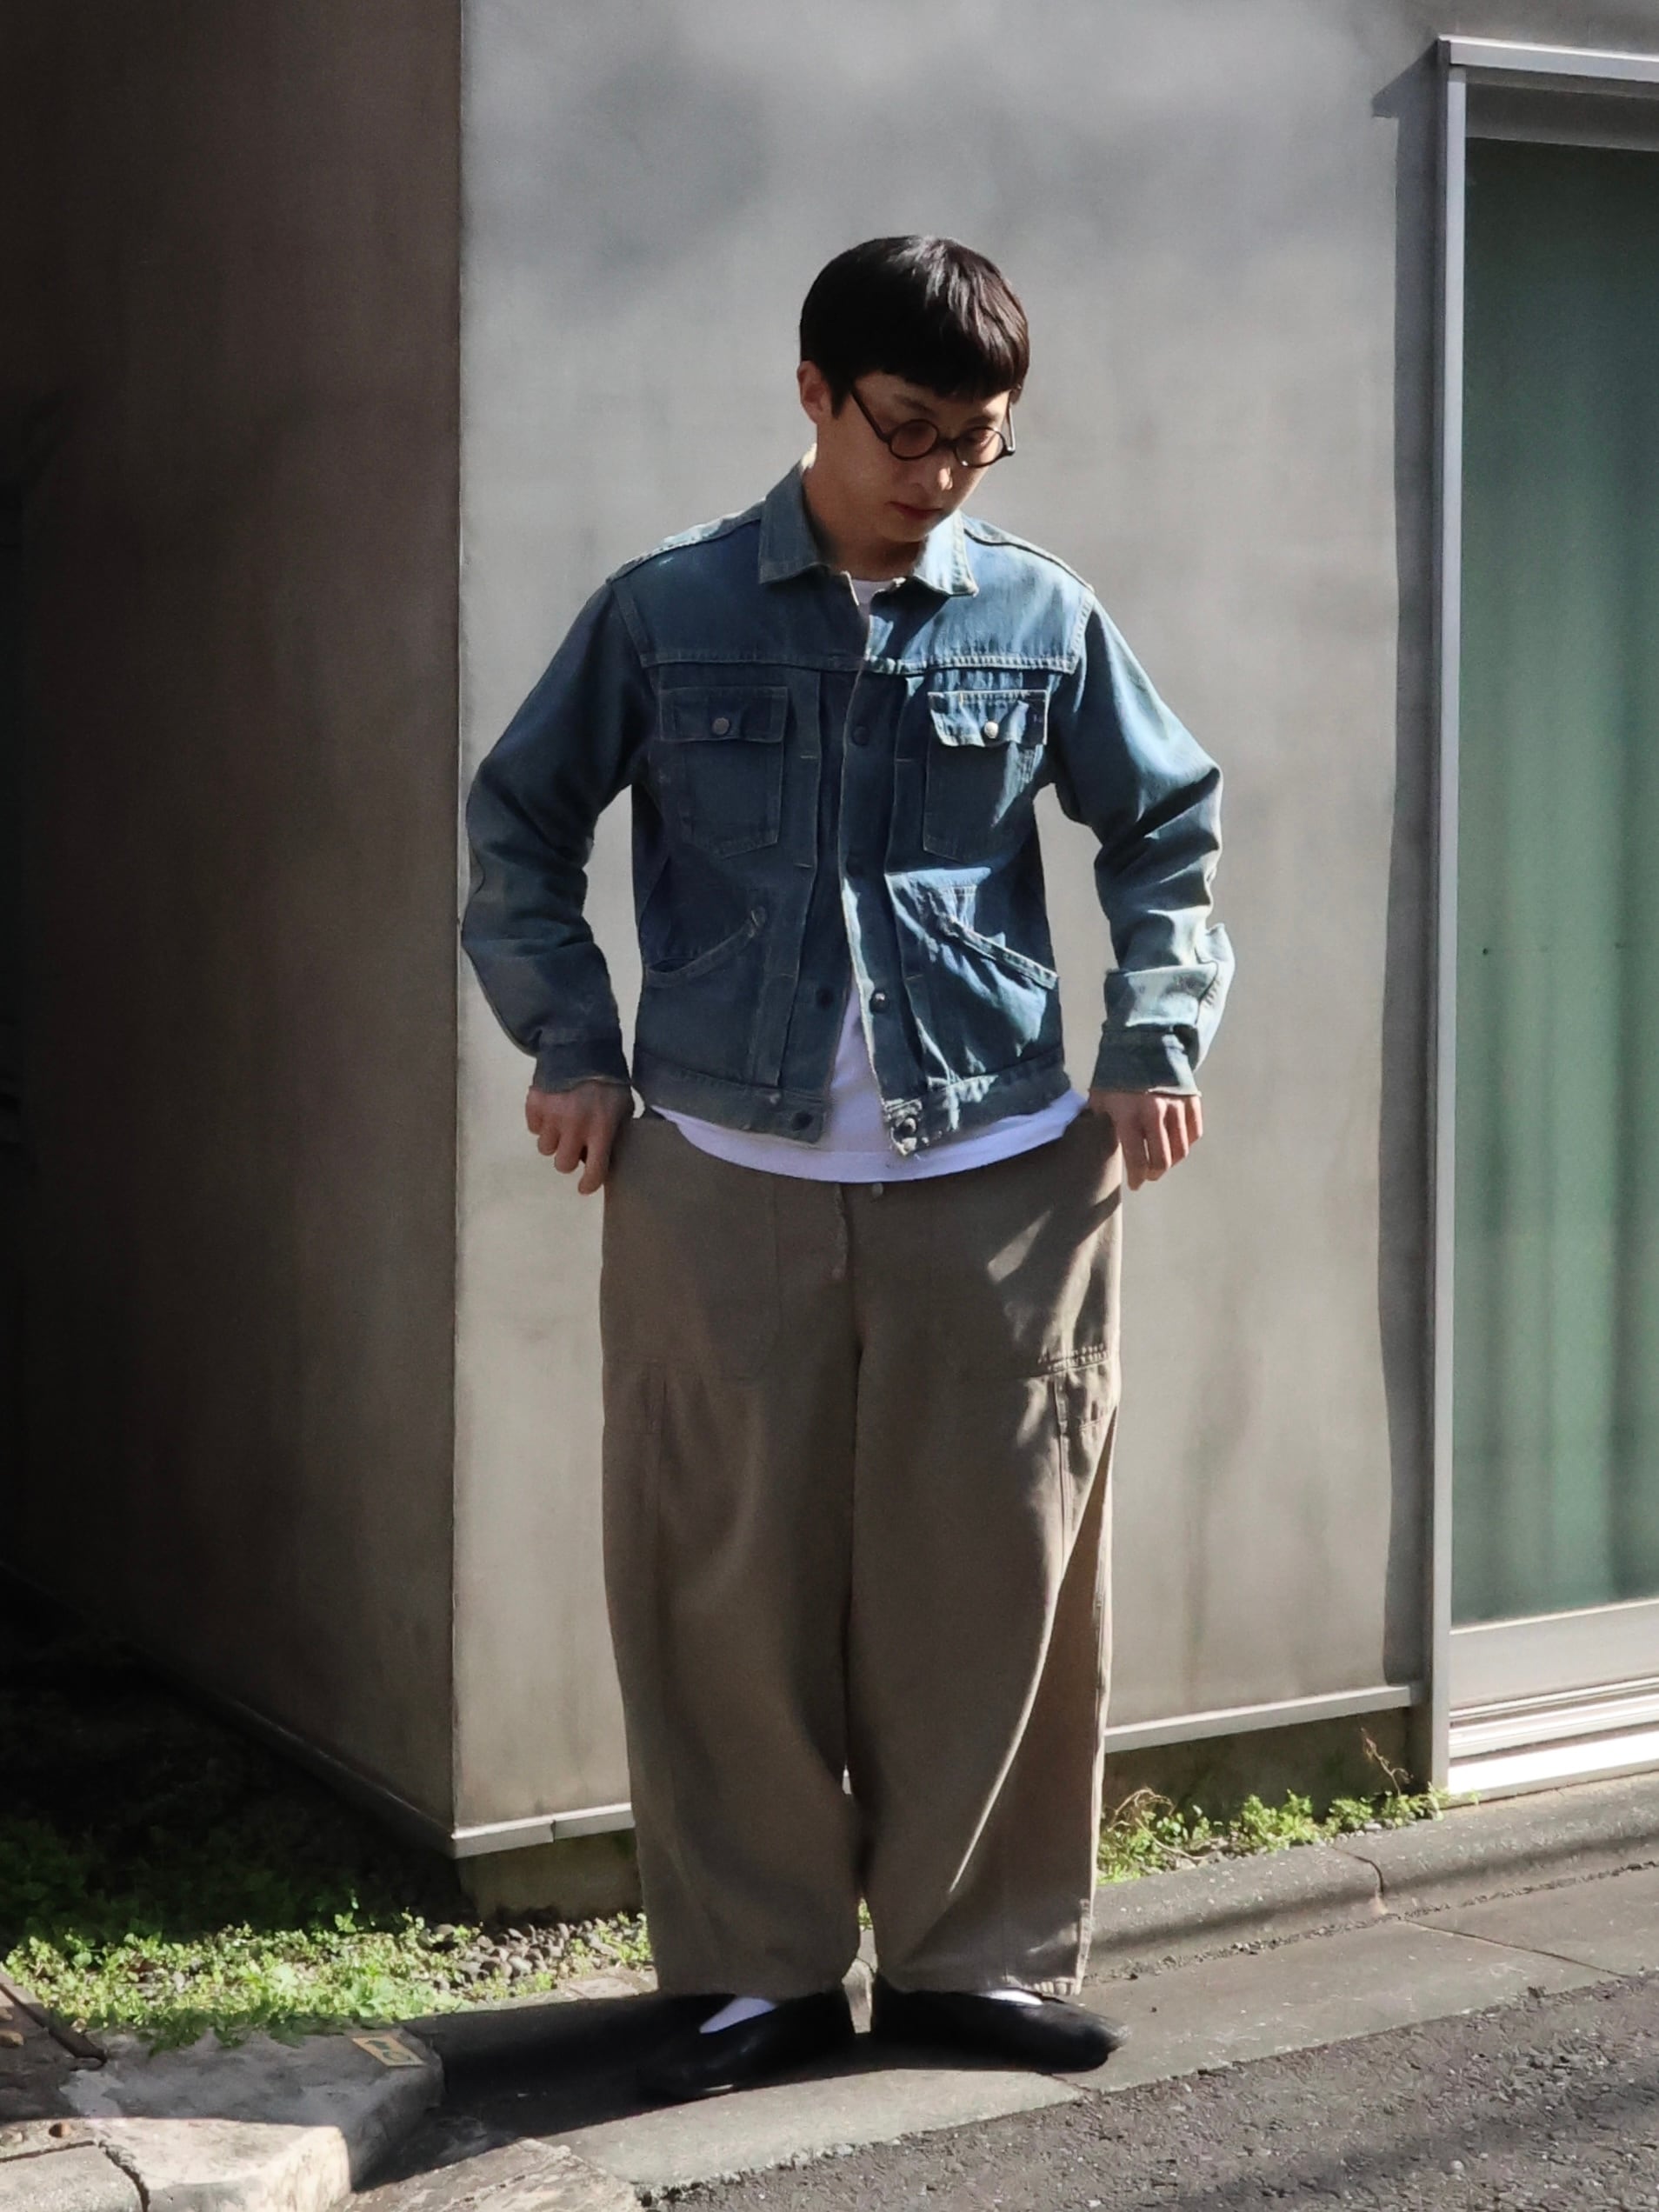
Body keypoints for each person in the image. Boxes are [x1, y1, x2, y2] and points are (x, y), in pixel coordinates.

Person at [462, 235, 1232, 2102]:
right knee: (722, 1577)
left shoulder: (1042, 617)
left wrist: (1153, 1037)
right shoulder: (665, 612)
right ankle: (758, 1971)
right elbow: (519, 826)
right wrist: (570, 1045)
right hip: (717, 1165)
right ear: (814, 393)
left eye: (980, 440)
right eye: (908, 429)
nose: (941, 472)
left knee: (996, 1572)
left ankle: (981, 1965)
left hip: (1003, 1170)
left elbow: (1167, 827)